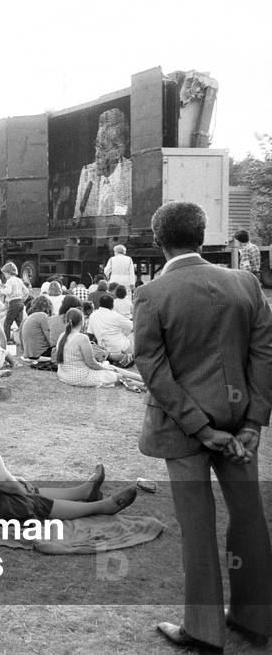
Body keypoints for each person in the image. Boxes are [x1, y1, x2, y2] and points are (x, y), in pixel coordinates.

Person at [135, 202, 272, 651]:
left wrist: (199, 427)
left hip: (183, 431)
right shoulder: (245, 283)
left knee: (197, 526)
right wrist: (252, 421)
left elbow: (154, 371)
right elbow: (264, 354)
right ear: (203, 234)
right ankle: (255, 619)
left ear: (158, 240)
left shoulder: (154, 294)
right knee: (249, 516)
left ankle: (203, 630)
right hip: (240, 426)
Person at [0, 389, 137, 521]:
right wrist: (21, 491)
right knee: (30, 502)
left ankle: (84, 492)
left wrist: (17, 485)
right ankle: (102, 507)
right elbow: (5, 483)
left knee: (22, 487)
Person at [53, 309, 142, 390]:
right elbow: (91, 363)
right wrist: (105, 369)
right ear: (82, 321)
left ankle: (142, 379)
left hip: (64, 375)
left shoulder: (62, 336)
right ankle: (143, 383)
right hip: (80, 377)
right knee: (117, 375)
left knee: (111, 368)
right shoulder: (82, 338)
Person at [19, 296, 54, 360]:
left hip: (28, 354)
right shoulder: (43, 316)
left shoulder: (25, 319)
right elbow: (50, 339)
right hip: (41, 353)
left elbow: (21, 341)